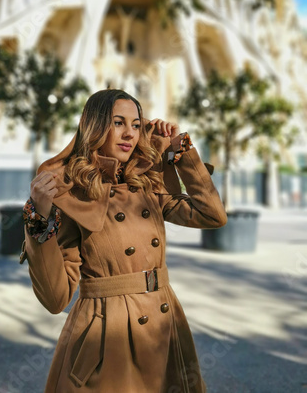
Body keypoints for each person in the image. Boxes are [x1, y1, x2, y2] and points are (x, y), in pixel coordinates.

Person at [20, 89, 227, 393]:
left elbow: (213, 216)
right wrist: (39, 218)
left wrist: (179, 152)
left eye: (136, 124)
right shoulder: (73, 194)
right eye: (118, 122)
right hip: (108, 336)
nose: (129, 133)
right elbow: (56, 299)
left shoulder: (145, 182)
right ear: (94, 126)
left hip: (163, 322)